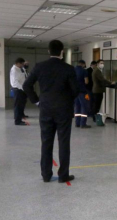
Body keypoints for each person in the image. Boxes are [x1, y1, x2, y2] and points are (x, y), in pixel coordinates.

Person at [23, 40, 79, 183]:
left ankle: (46, 175)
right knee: (64, 142)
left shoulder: (40, 67)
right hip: (64, 110)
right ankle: (63, 175)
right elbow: (75, 90)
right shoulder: (68, 68)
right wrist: (66, 100)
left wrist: (37, 101)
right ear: (62, 52)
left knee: (46, 142)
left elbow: (26, 85)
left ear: (49, 51)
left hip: (46, 108)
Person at [10, 57, 28, 126]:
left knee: (21, 105)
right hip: (18, 90)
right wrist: (23, 88)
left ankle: (20, 117)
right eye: (22, 64)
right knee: (18, 106)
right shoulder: (14, 70)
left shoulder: (19, 68)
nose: (23, 65)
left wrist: (25, 67)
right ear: (17, 63)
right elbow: (15, 82)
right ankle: (17, 121)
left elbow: (23, 73)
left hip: (21, 89)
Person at [74, 60, 91, 129]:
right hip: (82, 91)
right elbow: (86, 82)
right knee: (84, 107)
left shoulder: (73, 70)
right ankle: (83, 124)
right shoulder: (84, 71)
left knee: (77, 107)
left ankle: (77, 123)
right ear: (83, 64)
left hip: (75, 92)